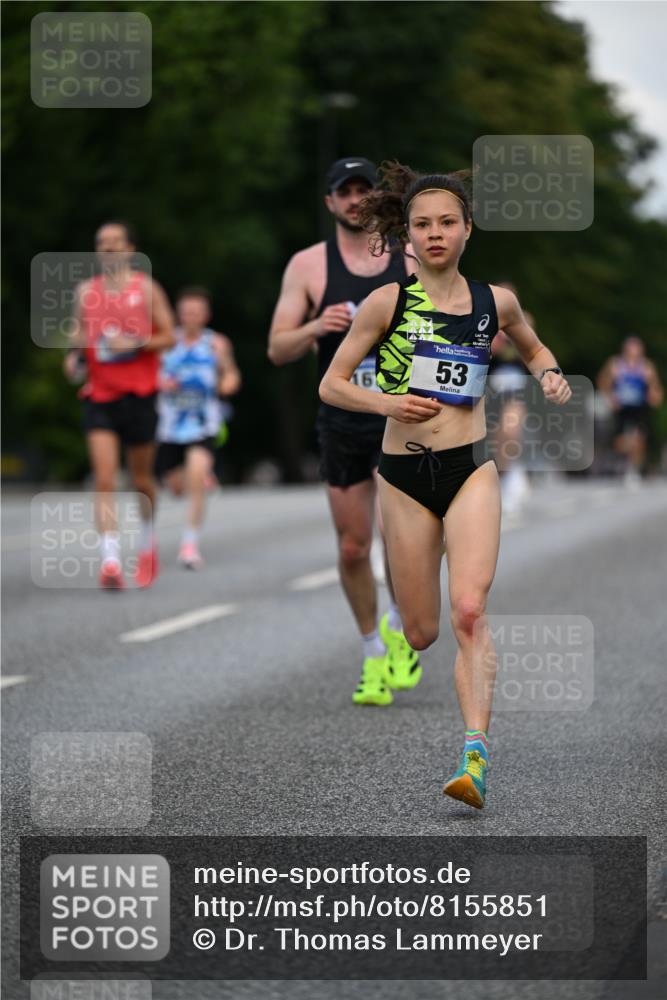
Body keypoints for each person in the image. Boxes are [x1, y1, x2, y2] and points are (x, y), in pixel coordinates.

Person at [320, 163, 572, 808]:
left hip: (469, 470)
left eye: (447, 223)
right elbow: (333, 383)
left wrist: (548, 374)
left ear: (467, 231)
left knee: (468, 611)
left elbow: (534, 348)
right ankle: (402, 636)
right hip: (403, 479)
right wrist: (388, 406)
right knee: (423, 632)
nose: (435, 234)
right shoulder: (387, 303)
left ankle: (474, 758)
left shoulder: (497, 302)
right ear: (407, 236)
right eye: (423, 224)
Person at [268, 157, 420, 707]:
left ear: (376, 198)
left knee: (399, 539)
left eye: (364, 190)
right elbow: (277, 349)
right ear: (330, 202)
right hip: (341, 418)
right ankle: (373, 652)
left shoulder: (406, 258)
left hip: (399, 416)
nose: (355, 199)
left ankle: (401, 625)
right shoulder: (309, 266)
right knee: (354, 547)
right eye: (344, 192)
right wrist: (316, 325)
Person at [64, 221, 175, 589]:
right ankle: (110, 561)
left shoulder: (146, 289)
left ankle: (146, 544)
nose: (108, 248)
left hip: (140, 396)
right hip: (100, 396)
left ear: (130, 249)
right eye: (102, 243)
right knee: (105, 478)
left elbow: (169, 336)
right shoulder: (85, 292)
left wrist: (137, 343)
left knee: (141, 480)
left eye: (116, 242)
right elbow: (79, 335)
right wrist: (74, 357)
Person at [156, 286, 241, 568]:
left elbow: (231, 376)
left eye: (196, 311)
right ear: (178, 314)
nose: (191, 316)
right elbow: (148, 377)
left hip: (203, 424)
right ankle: (199, 477)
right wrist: (161, 384)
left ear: (206, 315)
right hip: (169, 426)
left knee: (195, 478)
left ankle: (189, 546)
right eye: (186, 311)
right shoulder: (166, 342)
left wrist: (225, 383)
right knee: (176, 487)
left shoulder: (216, 344)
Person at [488, 282, 534, 514]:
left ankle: (514, 477)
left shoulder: (523, 321)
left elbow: (531, 353)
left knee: (511, 431)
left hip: (516, 386)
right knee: (498, 441)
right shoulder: (484, 319)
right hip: (492, 386)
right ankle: (508, 475)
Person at [597, 335, 663, 485]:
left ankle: (633, 469)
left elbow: (655, 386)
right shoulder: (615, 364)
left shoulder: (646, 367)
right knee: (620, 441)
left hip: (639, 407)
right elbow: (602, 381)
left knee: (640, 439)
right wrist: (610, 397)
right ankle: (622, 460)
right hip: (622, 407)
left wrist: (654, 395)